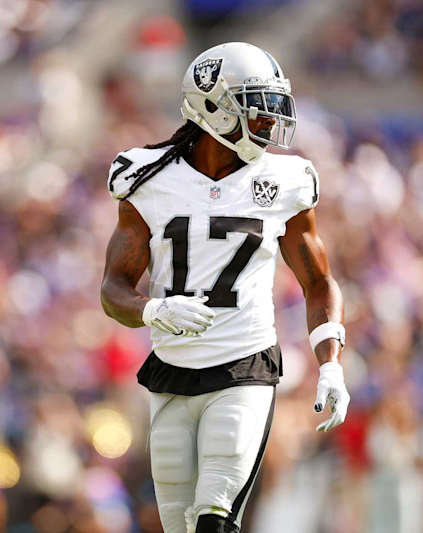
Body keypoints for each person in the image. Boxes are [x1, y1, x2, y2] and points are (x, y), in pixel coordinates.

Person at [100, 42, 350, 533]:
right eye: (257, 110)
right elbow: (113, 288)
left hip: (245, 367)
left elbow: (319, 281)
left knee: (215, 520)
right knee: (179, 526)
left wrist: (331, 366)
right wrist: (151, 310)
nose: (269, 123)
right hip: (171, 372)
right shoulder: (147, 177)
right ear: (212, 107)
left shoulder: (285, 180)